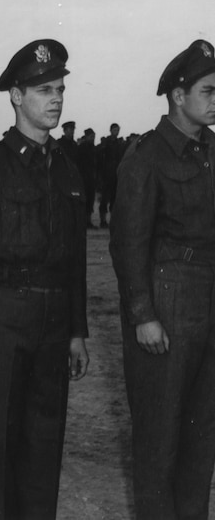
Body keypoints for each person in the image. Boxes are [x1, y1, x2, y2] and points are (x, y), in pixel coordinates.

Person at [0, 39, 89, 520]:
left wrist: (76, 330)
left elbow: (75, 260)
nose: (56, 99)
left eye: (60, 89)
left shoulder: (67, 167)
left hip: (52, 323)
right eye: (44, 89)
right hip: (4, 317)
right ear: (16, 96)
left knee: (44, 445)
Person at [109, 39, 215, 520]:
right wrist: (143, 315)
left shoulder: (210, 152)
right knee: (159, 437)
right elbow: (127, 243)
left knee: (202, 436)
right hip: (168, 301)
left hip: (208, 300)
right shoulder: (146, 156)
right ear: (177, 95)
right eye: (208, 92)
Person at [98, 122, 124, 228]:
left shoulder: (119, 144)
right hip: (106, 175)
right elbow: (101, 158)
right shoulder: (106, 143)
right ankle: (103, 220)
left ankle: (113, 220)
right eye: (114, 130)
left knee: (114, 199)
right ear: (111, 130)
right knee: (104, 199)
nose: (116, 132)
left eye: (117, 130)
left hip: (115, 175)